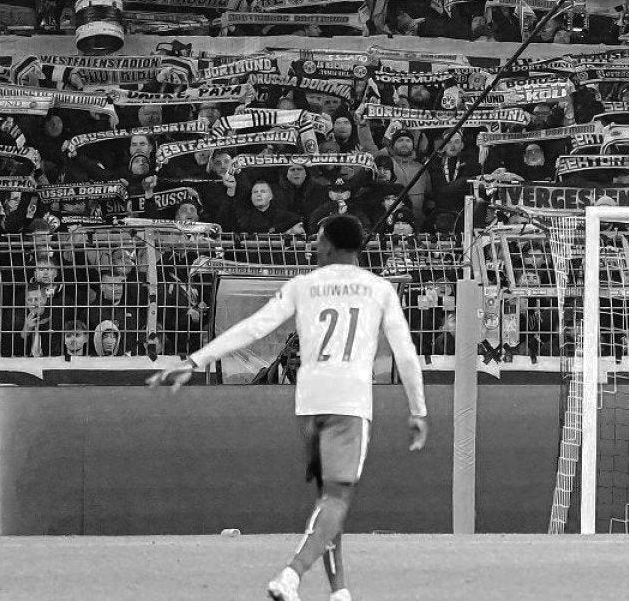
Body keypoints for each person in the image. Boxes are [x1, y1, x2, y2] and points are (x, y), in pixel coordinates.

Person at [153, 215, 427, 601]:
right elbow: (406, 353)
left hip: (310, 402)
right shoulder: (379, 288)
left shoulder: (304, 285)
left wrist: (196, 360)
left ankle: (339, 591)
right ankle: (291, 575)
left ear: (330, 244)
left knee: (328, 501)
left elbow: (254, 327)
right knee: (337, 499)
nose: (315, 244)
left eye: (319, 238)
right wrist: (418, 410)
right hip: (349, 402)